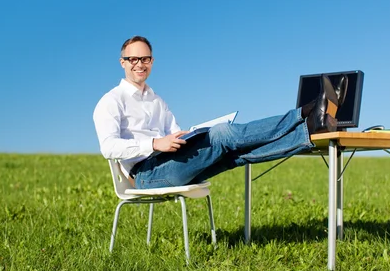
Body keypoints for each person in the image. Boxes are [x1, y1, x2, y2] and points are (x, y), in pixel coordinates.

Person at [93, 36, 347, 189]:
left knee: (235, 154)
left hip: (167, 164)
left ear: (152, 62)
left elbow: (174, 135)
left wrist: (188, 136)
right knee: (223, 134)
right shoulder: (111, 101)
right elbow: (108, 148)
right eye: (133, 60)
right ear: (123, 63)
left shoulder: (156, 100)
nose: (140, 64)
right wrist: (154, 143)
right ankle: (305, 113)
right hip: (145, 176)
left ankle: (311, 132)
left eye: (145, 59)